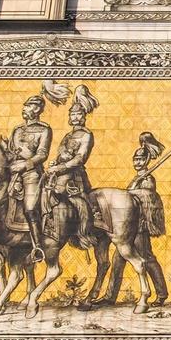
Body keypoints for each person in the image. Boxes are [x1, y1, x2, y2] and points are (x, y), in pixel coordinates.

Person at [45, 85, 98, 249]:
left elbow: (80, 158)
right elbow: (61, 154)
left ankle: (81, 232)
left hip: (74, 176)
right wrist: (54, 163)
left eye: (78, 114)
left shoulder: (86, 134)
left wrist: (60, 168)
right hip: (59, 172)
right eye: (72, 114)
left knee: (59, 194)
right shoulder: (68, 135)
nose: (75, 117)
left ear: (84, 116)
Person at [8, 95, 52, 255]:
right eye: (25, 106)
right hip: (12, 171)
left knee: (30, 207)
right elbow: (11, 150)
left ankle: (37, 246)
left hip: (31, 173)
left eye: (28, 106)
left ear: (37, 109)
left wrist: (24, 165)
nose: (24, 109)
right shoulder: (17, 129)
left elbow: (42, 154)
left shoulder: (44, 129)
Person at [128, 132, 166, 238]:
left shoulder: (148, 179)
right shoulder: (136, 179)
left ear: (146, 160)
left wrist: (130, 191)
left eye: (141, 160)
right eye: (135, 160)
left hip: (140, 223)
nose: (137, 163)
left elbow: (147, 200)